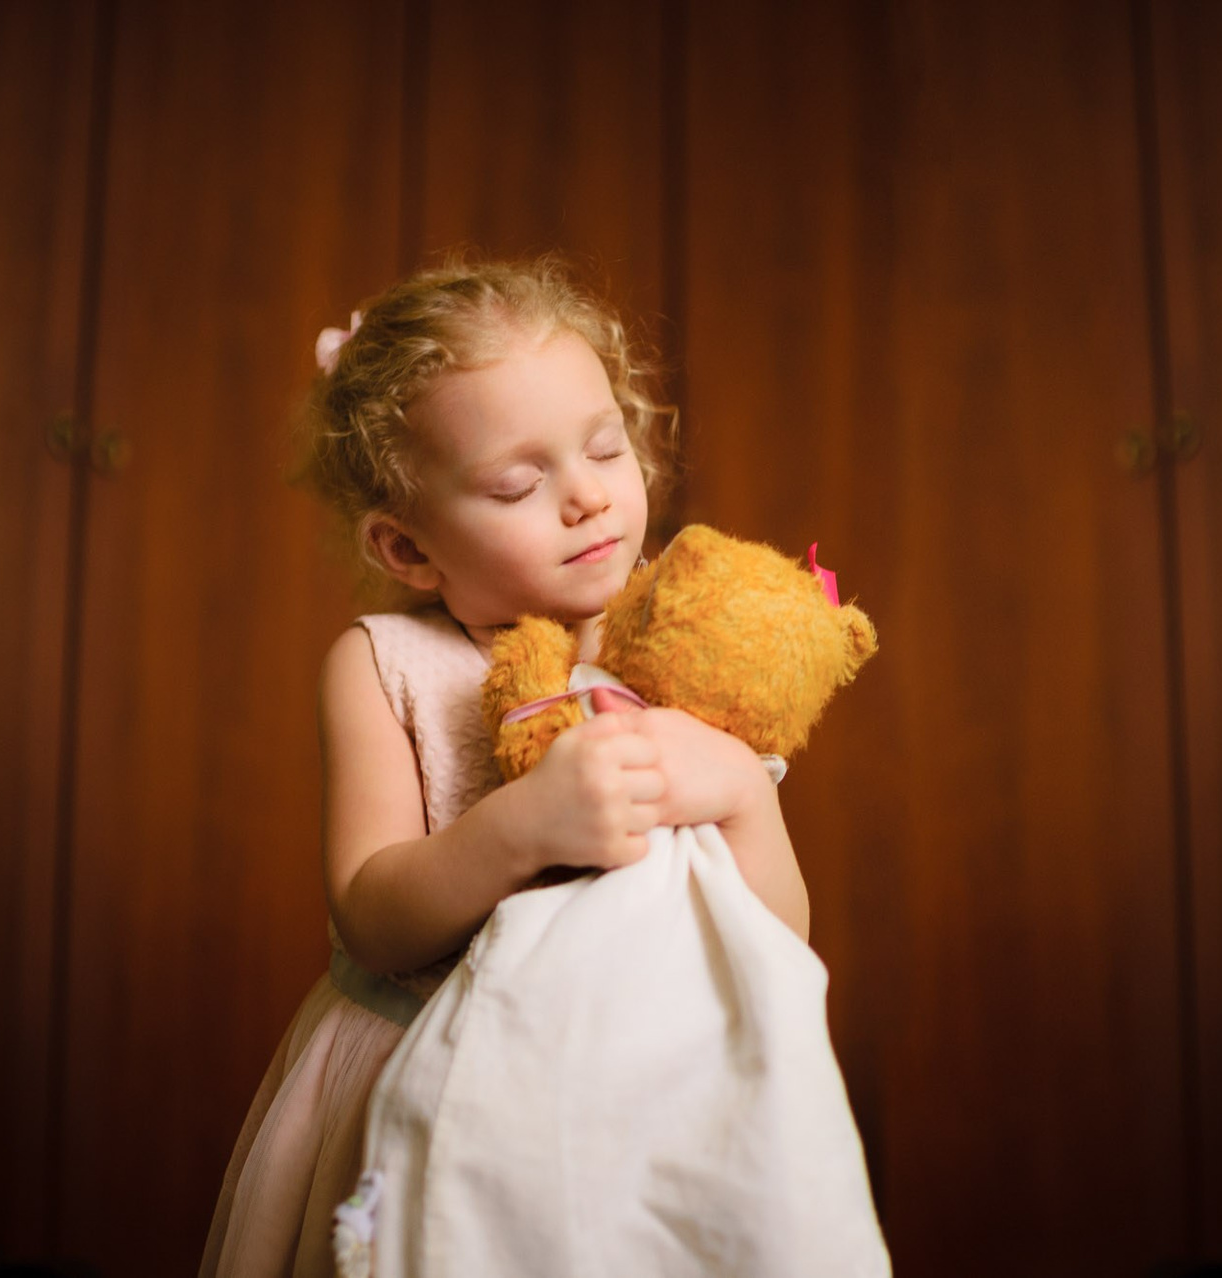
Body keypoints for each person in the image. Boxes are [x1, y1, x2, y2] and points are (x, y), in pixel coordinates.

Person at [199, 256, 808, 1278]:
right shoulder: (385, 665)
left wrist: (746, 794)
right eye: (520, 484)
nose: (588, 497)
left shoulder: (677, 650)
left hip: (634, 1097)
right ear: (408, 548)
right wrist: (523, 827)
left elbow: (780, 943)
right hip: (419, 1085)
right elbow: (371, 914)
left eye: (606, 447)